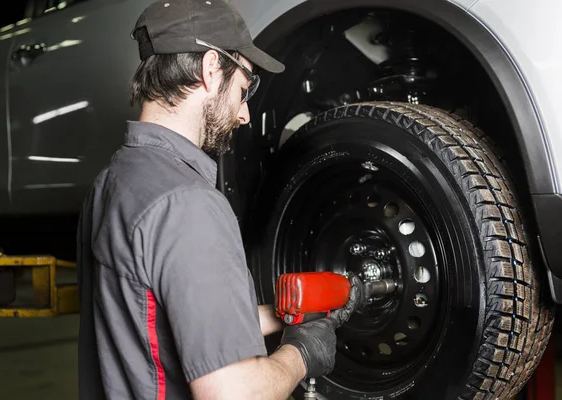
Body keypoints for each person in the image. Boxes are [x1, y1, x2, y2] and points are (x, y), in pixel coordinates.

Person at [76, 1, 358, 398]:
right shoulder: (188, 203)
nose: (244, 115)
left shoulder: (110, 185)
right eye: (244, 89)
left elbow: (158, 322)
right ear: (211, 69)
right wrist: (303, 352)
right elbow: (234, 392)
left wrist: (287, 316)